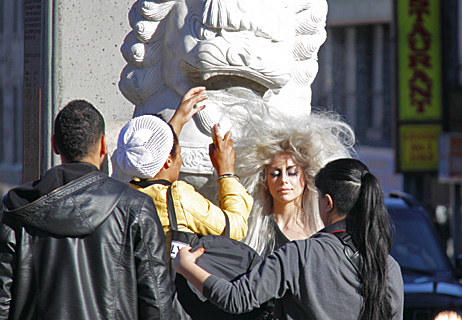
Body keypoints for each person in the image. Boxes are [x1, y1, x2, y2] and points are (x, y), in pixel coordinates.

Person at [0, 100, 188, 319]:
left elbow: (4, 300)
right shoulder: (135, 208)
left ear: (54, 145)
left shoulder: (18, 207)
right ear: (103, 145)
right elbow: (156, 302)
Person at [172, 158, 404, 320]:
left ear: (328, 202)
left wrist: (186, 266)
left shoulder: (299, 254)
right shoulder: (389, 267)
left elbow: (236, 299)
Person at [115, 87, 254, 257]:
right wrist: (226, 172)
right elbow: (236, 227)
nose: (179, 161)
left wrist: (178, 120)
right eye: (178, 153)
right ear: (167, 159)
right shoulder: (179, 198)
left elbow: (148, 153)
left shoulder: (123, 194)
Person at [235, 111, 355, 257]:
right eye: (275, 173)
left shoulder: (319, 229)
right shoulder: (254, 230)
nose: (283, 180)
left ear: (307, 176)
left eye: (292, 172)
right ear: (264, 179)